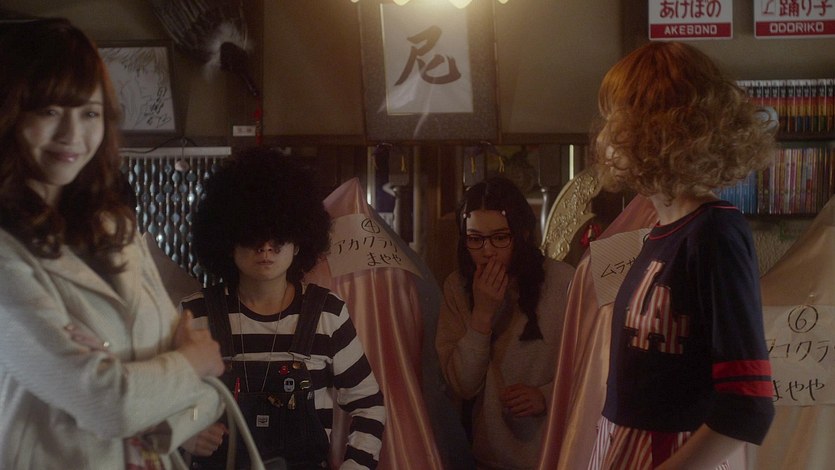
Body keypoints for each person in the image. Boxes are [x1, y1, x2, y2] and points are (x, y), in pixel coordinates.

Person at [0, 17, 225, 469]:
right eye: (49, 111)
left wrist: (164, 407)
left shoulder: (115, 229)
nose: (72, 134)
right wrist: (190, 363)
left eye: (89, 113)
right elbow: (110, 404)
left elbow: (208, 393)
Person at [589, 41, 776, 469]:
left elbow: (748, 405)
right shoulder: (663, 232)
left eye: (616, 118)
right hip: (627, 446)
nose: (606, 135)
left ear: (657, 129)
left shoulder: (714, 233)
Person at [180, 147, 386, 469]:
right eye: (251, 234)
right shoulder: (194, 315)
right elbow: (157, 403)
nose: (265, 247)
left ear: (299, 239)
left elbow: (369, 404)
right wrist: (186, 430)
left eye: (279, 235)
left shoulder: (327, 313)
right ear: (227, 240)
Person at [435, 176, 576, 470]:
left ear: (522, 233)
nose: (487, 251)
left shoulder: (563, 281)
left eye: (500, 238)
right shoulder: (458, 287)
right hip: (490, 456)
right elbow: (462, 385)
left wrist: (546, 396)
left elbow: (593, 367)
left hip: (557, 452)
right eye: (475, 239)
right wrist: (482, 315)